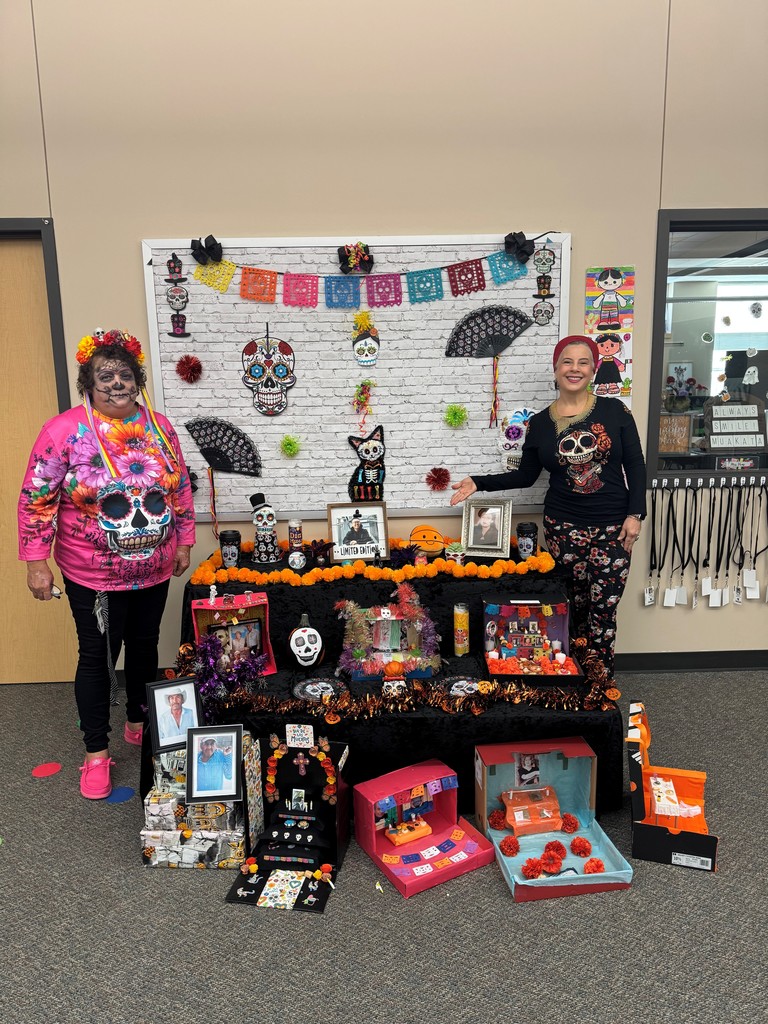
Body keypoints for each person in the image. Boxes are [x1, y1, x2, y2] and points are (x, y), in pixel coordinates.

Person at [18, 329, 196, 799]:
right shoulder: (63, 431)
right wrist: (37, 562)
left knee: (144, 646)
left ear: (139, 379)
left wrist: (183, 542)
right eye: (105, 376)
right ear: (87, 383)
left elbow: (179, 489)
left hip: (154, 569)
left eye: (125, 374)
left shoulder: (160, 428)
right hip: (92, 575)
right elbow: (38, 499)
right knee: (97, 657)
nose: (117, 383)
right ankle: (96, 752)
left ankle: (138, 721)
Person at [451, 335, 646, 675]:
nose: (575, 369)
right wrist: (479, 482)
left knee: (603, 611)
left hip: (613, 529)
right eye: (567, 362)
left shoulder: (615, 411)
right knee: (568, 606)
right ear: (555, 370)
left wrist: (635, 513)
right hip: (563, 529)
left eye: (583, 362)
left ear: (595, 368)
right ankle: (567, 677)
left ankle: (598, 684)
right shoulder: (540, 423)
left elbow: (637, 465)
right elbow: (526, 476)